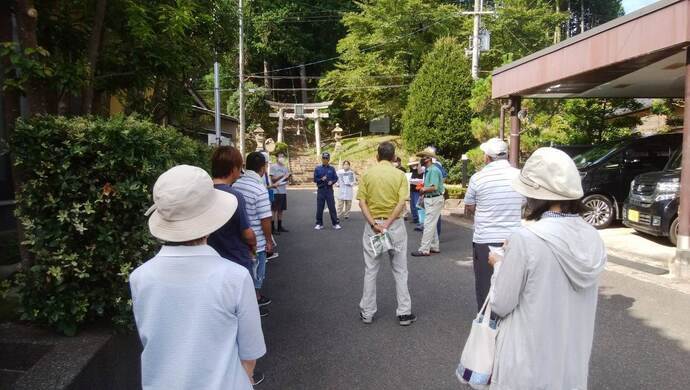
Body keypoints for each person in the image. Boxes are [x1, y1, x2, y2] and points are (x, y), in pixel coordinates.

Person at [130, 165, 266, 389]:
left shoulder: (139, 277)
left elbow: (150, 337)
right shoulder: (235, 277)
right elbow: (250, 351)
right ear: (211, 219)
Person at [488, 147, 606, 389]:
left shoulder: (525, 238)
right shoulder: (593, 237)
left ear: (536, 195)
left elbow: (501, 303)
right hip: (570, 366)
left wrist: (500, 264)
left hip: (527, 362)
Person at [357, 142, 415, 326]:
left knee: (371, 269)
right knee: (400, 269)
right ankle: (404, 313)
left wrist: (375, 224)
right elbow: (401, 203)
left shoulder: (367, 174)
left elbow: (361, 202)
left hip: (373, 225)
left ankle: (367, 312)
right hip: (395, 225)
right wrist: (387, 224)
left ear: (377, 156)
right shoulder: (399, 175)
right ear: (393, 157)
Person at [463, 138, 524, 310]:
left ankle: (487, 324)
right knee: (512, 284)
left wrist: (483, 211)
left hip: (485, 239)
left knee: (485, 285)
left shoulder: (478, 178)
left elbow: (469, 207)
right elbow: (524, 202)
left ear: (487, 157)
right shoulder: (519, 176)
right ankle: (510, 324)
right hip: (513, 239)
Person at [207, 147, 267, 317]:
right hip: (236, 257)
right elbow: (247, 233)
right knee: (241, 309)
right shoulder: (234, 195)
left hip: (212, 256)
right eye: (240, 168)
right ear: (233, 168)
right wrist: (254, 246)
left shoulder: (204, 192)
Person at [233, 152, 274, 308]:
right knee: (257, 272)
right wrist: (269, 241)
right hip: (256, 240)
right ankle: (255, 300)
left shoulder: (236, 185)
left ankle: (247, 300)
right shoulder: (259, 189)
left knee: (244, 272)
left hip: (239, 238)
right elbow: (265, 220)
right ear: (263, 168)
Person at [411, 148, 444, 257]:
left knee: (428, 224)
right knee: (432, 223)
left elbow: (434, 187)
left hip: (433, 199)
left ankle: (424, 249)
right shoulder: (430, 170)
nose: (421, 160)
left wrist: (423, 189)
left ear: (429, 159)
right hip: (433, 199)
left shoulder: (433, 170)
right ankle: (434, 246)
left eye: (423, 157)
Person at [313, 152, 341, 230]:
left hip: (329, 190)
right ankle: (319, 223)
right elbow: (315, 179)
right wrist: (321, 179)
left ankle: (335, 223)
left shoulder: (332, 168)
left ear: (328, 159)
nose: (325, 160)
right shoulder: (317, 168)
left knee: (332, 207)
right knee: (320, 207)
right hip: (321, 190)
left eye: (326, 158)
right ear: (321, 159)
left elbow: (335, 178)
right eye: (324, 158)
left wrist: (332, 182)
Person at [270, 152, 291, 235]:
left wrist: (287, 178)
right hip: (275, 191)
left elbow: (286, 179)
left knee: (281, 210)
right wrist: (283, 176)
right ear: (277, 158)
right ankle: (272, 228)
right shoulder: (273, 167)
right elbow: (273, 180)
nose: (282, 158)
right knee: (274, 210)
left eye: (283, 156)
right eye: (280, 156)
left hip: (283, 191)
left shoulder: (285, 168)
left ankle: (279, 226)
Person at [407, 157, 424, 230]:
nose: (412, 165)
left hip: (418, 189)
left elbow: (421, 178)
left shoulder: (421, 168)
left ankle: (420, 221)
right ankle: (415, 218)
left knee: (418, 206)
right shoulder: (412, 169)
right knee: (412, 205)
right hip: (412, 188)